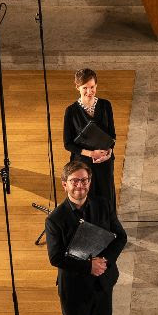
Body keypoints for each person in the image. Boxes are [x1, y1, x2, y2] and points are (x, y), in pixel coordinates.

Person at [44, 161, 128, 315]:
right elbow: (56, 257)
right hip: (74, 286)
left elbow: (120, 237)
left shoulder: (103, 205)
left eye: (84, 180)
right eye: (74, 181)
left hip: (102, 279)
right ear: (64, 184)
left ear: (90, 182)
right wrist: (88, 266)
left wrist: (104, 262)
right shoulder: (55, 219)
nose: (80, 185)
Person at [62, 68, 117, 211]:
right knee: (88, 198)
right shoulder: (71, 111)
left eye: (92, 87)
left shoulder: (106, 105)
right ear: (77, 87)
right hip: (83, 163)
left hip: (104, 160)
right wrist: (91, 154)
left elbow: (112, 135)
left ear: (96, 85)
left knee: (106, 195)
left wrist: (109, 152)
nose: (89, 91)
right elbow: (68, 144)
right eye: (85, 88)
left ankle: (108, 223)